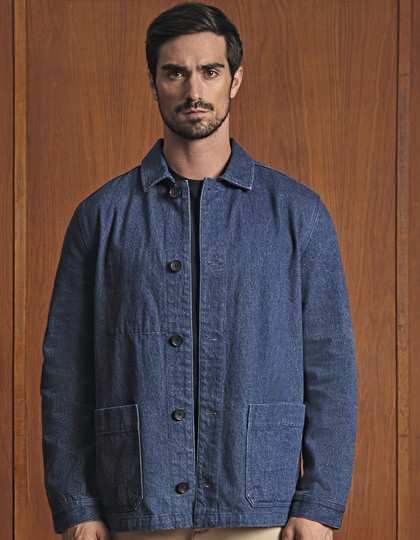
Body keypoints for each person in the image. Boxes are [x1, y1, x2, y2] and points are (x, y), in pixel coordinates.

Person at [40, 3, 358, 540]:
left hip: (260, 504)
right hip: (136, 501)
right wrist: (75, 503)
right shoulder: (101, 217)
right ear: (153, 83)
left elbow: (331, 367)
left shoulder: (298, 214)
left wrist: (320, 503)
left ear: (235, 80)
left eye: (210, 71)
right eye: (175, 72)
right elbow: (66, 373)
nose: (194, 90)